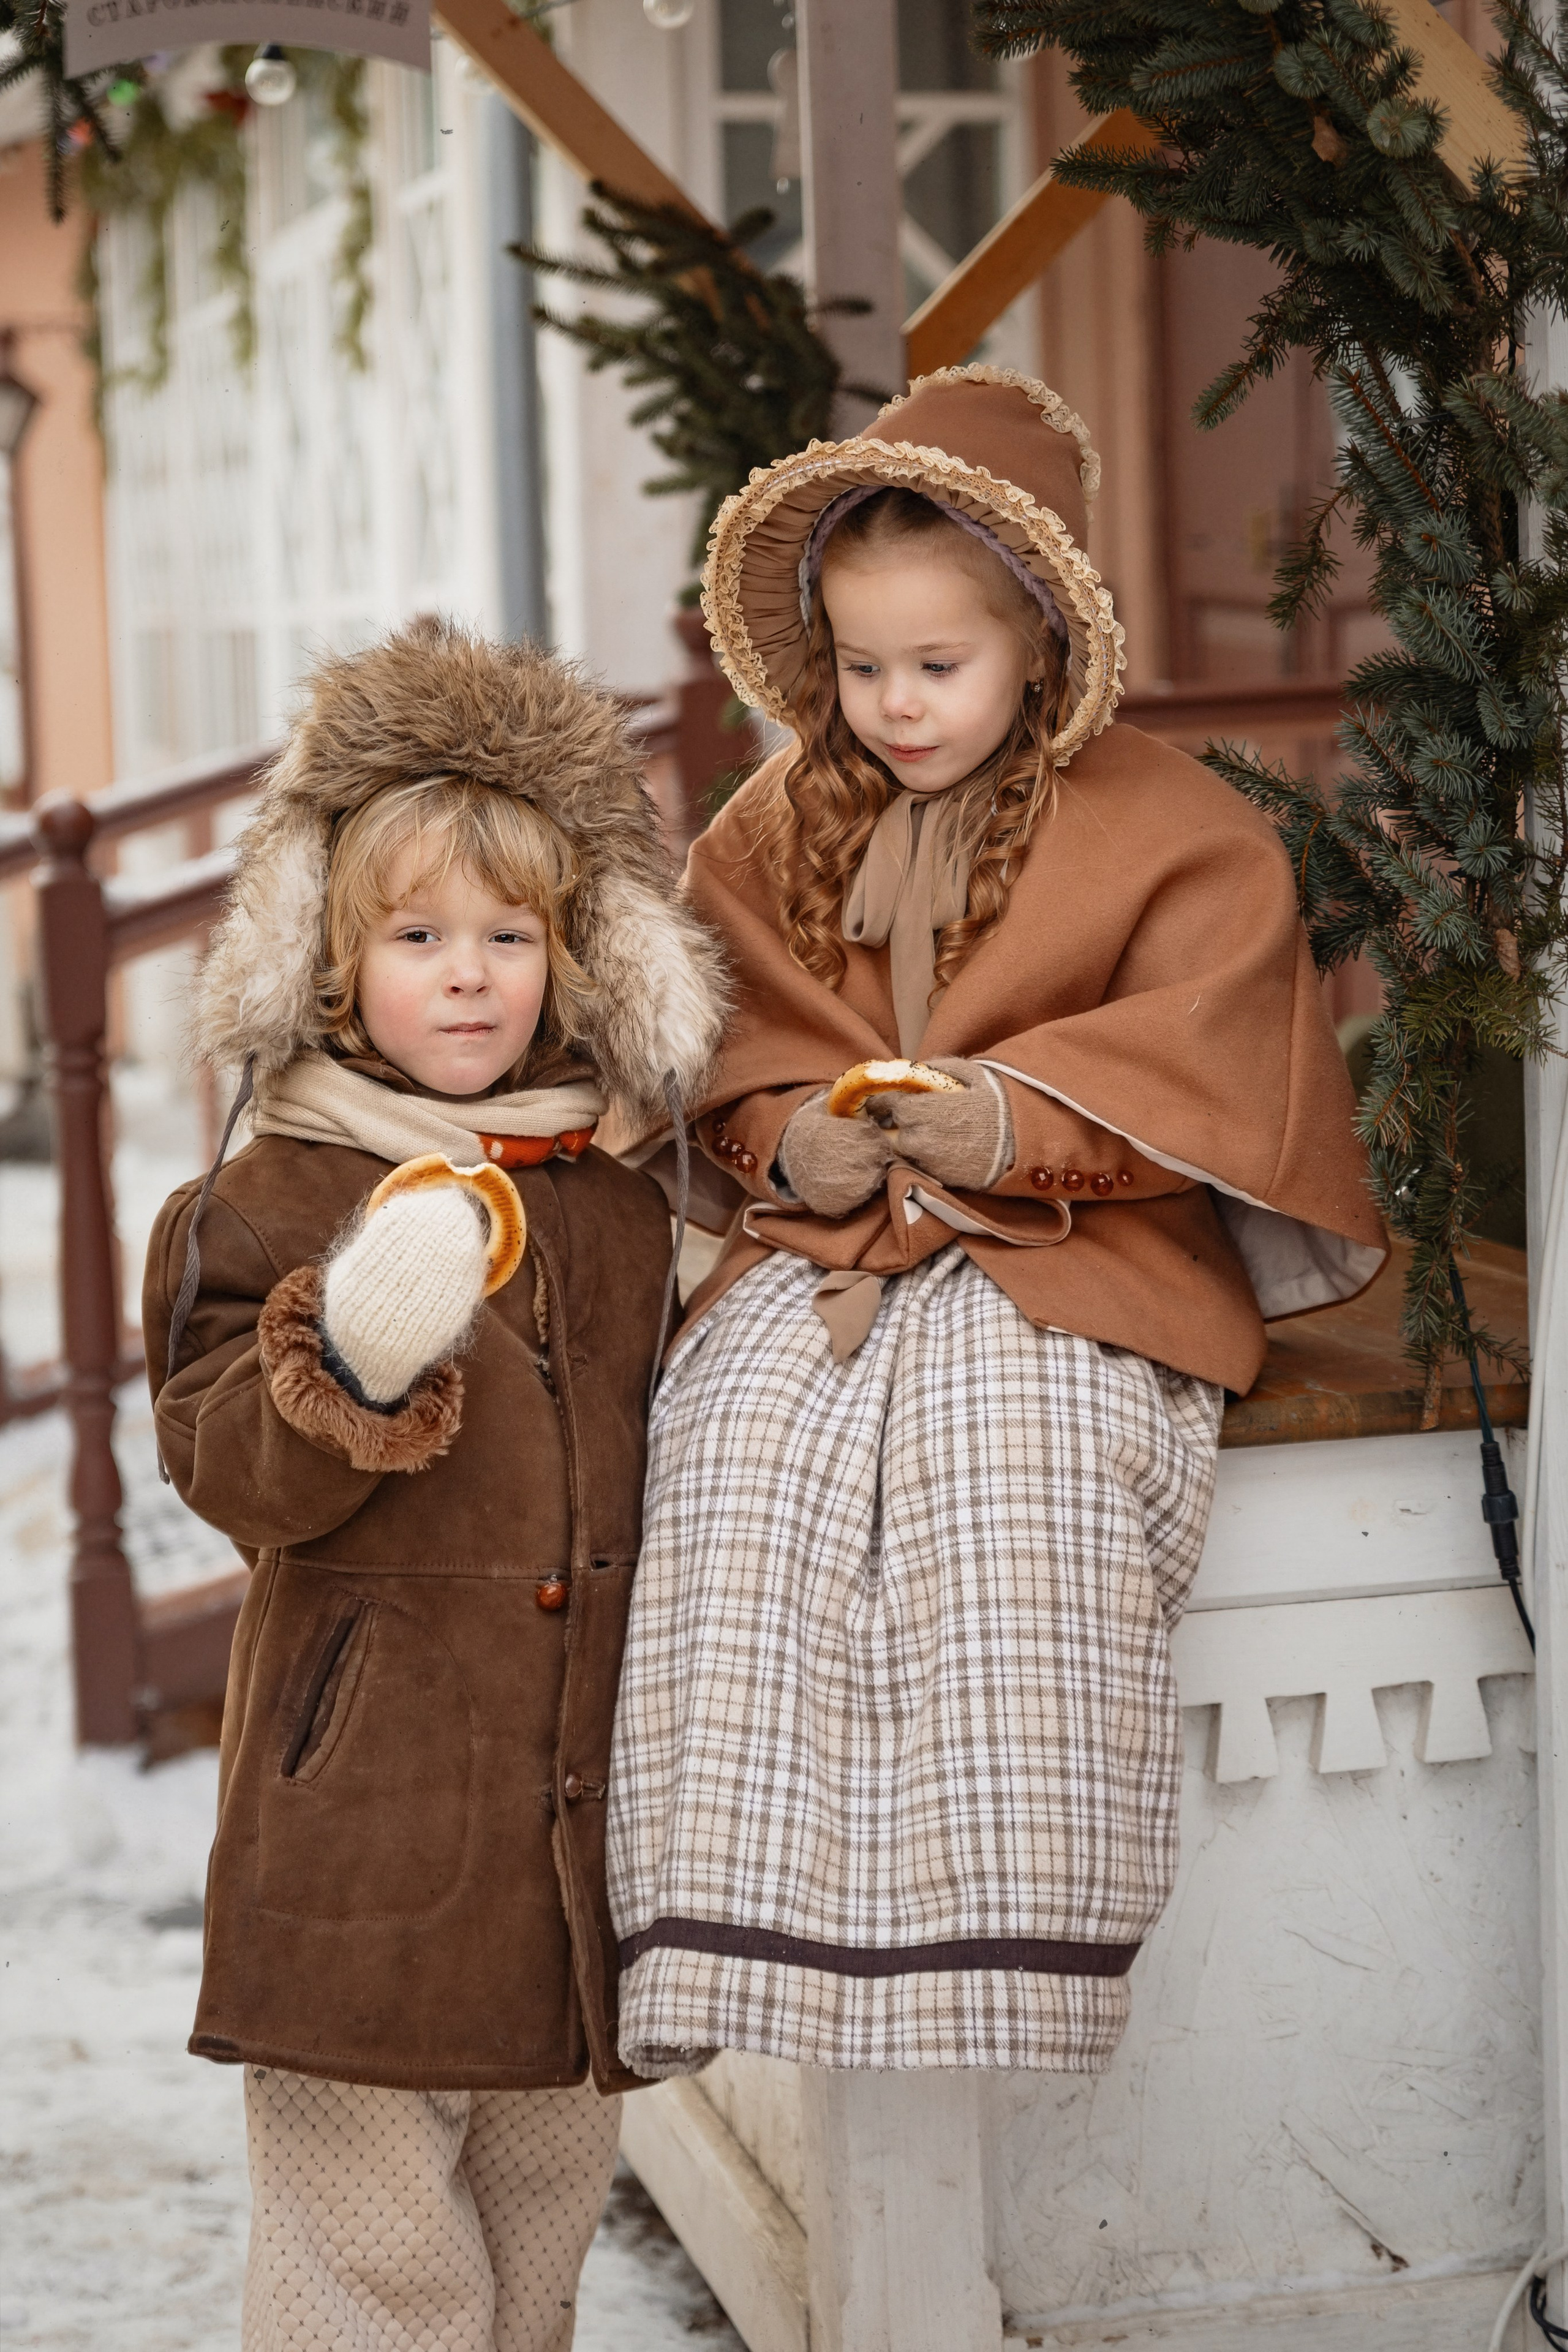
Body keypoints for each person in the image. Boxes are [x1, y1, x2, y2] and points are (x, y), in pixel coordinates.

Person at [608, 364, 1387, 2081]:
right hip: (825, 1256)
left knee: (1013, 1454)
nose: (895, 706)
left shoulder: (1175, 827)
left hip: (1071, 1248)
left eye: (938, 667)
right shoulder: (767, 828)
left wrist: (1009, 1119)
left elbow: (1216, 1060)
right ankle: (740, 1933)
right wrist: (787, 1142)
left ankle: (999, 1938)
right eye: (861, 666)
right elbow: (709, 1050)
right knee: (732, 1450)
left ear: (1041, 638)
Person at [143, 619, 724, 2351]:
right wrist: (354, 1352)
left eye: (509, 936)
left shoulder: (616, 1205)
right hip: (361, 1846)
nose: (467, 976)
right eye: (416, 938)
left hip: (569, 1855)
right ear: (329, 962)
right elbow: (226, 1472)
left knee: (531, 2263)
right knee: (378, 2282)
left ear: (580, 958)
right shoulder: (260, 1204)